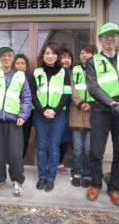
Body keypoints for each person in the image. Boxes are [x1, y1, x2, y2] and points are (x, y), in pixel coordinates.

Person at [86, 23, 119, 206]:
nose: (110, 38)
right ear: (100, 39)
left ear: (117, 39)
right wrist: (111, 102)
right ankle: (95, 184)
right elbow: (92, 87)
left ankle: (114, 188)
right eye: (106, 35)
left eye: (113, 35)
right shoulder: (93, 61)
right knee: (95, 152)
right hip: (101, 110)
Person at [0, 46, 31, 197]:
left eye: (9, 55)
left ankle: (17, 181)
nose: (6, 58)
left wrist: (23, 115)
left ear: (13, 58)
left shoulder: (20, 76)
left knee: (15, 152)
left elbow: (26, 98)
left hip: (14, 120)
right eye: (3, 56)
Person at [31, 42, 72, 192]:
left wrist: (55, 110)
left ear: (58, 56)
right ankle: (42, 176)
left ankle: (50, 178)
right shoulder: (37, 72)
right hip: (40, 115)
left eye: (53, 53)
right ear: (43, 55)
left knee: (54, 147)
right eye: (47, 53)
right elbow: (33, 94)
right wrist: (43, 111)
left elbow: (66, 94)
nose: (50, 56)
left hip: (58, 115)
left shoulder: (64, 72)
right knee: (41, 147)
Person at [69, 45, 97, 188]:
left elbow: (102, 89)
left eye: (88, 53)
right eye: (82, 52)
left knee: (88, 148)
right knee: (78, 147)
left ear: (94, 55)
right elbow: (72, 88)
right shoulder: (75, 70)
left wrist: (91, 103)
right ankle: (76, 173)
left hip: (93, 112)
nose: (84, 55)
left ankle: (87, 174)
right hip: (77, 111)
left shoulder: (99, 71)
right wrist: (80, 103)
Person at [12, 54, 32, 159]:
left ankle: (21, 160)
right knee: (12, 139)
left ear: (26, 66)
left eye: (22, 63)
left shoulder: (30, 79)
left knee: (24, 138)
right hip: (12, 112)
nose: (20, 65)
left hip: (27, 115)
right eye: (17, 63)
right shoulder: (9, 78)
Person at [57, 47, 74, 175]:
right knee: (53, 137)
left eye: (69, 58)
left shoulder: (74, 73)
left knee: (64, 138)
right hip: (56, 109)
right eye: (63, 57)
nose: (66, 60)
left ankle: (60, 163)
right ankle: (51, 161)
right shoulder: (55, 72)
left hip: (70, 110)